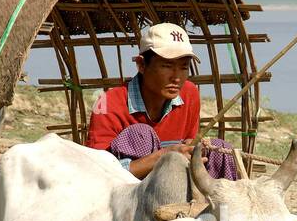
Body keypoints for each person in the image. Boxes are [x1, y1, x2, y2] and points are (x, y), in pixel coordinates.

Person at [85, 22, 238, 180]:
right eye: (167, 66)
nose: (176, 77)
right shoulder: (108, 103)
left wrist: (192, 150)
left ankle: (218, 205)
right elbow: (97, 171)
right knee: (140, 134)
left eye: (184, 67)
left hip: (174, 183)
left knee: (219, 149)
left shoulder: (189, 94)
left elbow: (189, 141)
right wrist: (165, 155)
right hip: (126, 194)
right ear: (141, 65)